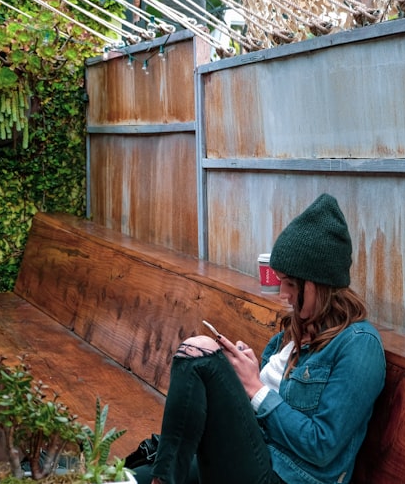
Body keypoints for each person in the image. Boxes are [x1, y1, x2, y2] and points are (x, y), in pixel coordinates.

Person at [131, 193, 386, 484]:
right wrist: (240, 378)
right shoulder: (284, 340)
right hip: (252, 459)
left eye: (291, 284)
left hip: (288, 476)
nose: (283, 294)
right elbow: (255, 421)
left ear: (318, 285)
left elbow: (322, 445)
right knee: (123, 478)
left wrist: (255, 388)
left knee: (197, 351)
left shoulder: (358, 344)